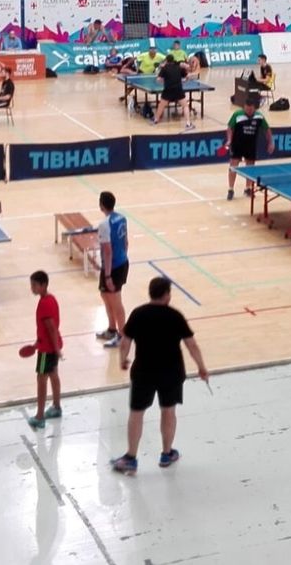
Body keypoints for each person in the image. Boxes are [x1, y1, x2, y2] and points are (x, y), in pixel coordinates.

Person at [111, 276, 210, 475]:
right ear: (167, 295)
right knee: (168, 411)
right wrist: (201, 367)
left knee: (136, 414)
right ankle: (166, 454)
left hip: (143, 372)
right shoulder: (175, 316)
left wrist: (122, 359)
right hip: (171, 373)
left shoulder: (138, 314)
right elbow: (191, 345)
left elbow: (125, 341)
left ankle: (131, 457)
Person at [27, 270, 63, 429]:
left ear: (43, 285)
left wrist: (55, 349)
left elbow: (51, 328)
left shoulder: (44, 304)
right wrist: (38, 343)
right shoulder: (51, 299)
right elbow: (49, 329)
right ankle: (56, 407)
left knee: (41, 380)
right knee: (54, 375)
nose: (32, 288)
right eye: (31, 285)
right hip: (50, 346)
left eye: (34, 285)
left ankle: (40, 416)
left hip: (47, 350)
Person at [95, 191, 130, 349]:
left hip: (113, 267)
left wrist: (108, 275)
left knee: (116, 301)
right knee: (105, 295)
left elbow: (108, 251)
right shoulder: (122, 218)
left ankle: (122, 336)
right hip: (121, 263)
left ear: (101, 205)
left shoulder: (104, 225)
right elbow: (126, 242)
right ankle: (111, 329)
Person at [224, 96, 274, 201]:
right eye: (247, 109)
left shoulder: (259, 117)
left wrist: (270, 143)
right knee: (233, 166)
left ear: (254, 108)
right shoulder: (237, 114)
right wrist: (229, 140)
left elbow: (267, 130)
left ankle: (248, 188)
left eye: (251, 109)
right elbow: (229, 128)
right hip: (237, 144)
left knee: (250, 168)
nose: (249, 111)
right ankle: (230, 189)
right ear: (244, 107)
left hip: (250, 145)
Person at [152, 54, 192, 131]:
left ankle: (155, 120)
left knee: (161, 105)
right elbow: (187, 77)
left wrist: (165, 81)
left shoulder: (164, 68)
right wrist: (184, 81)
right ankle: (188, 124)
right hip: (178, 90)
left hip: (168, 90)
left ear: (167, 60)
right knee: (185, 106)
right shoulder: (179, 68)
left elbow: (158, 79)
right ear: (173, 60)